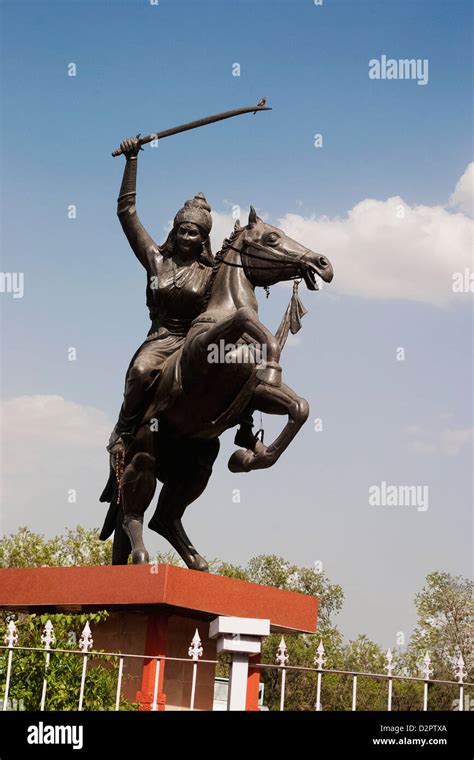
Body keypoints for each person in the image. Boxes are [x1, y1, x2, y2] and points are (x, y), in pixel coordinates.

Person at [107, 136, 215, 455]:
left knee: (234, 368)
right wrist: (132, 161)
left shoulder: (213, 272)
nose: (185, 236)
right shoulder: (157, 260)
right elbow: (127, 212)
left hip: (194, 340)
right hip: (161, 338)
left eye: (192, 232)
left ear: (203, 238)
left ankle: (246, 428)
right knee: (140, 371)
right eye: (181, 230)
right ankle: (124, 430)